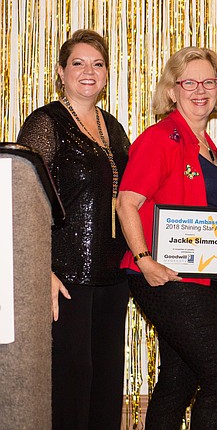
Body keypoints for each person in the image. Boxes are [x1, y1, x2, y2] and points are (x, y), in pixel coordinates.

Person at [116, 47, 217, 429]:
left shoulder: (209, 147)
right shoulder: (161, 138)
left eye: (209, 81)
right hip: (165, 275)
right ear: (173, 90)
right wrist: (144, 259)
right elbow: (126, 203)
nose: (200, 90)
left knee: (179, 379)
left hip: (197, 276)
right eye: (189, 82)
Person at [17, 29, 130, 430]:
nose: (88, 71)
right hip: (64, 277)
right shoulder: (45, 122)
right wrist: (40, 269)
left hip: (114, 276)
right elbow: (24, 201)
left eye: (97, 64)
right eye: (78, 63)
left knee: (105, 383)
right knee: (71, 381)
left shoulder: (113, 128)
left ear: (106, 75)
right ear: (60, 72)